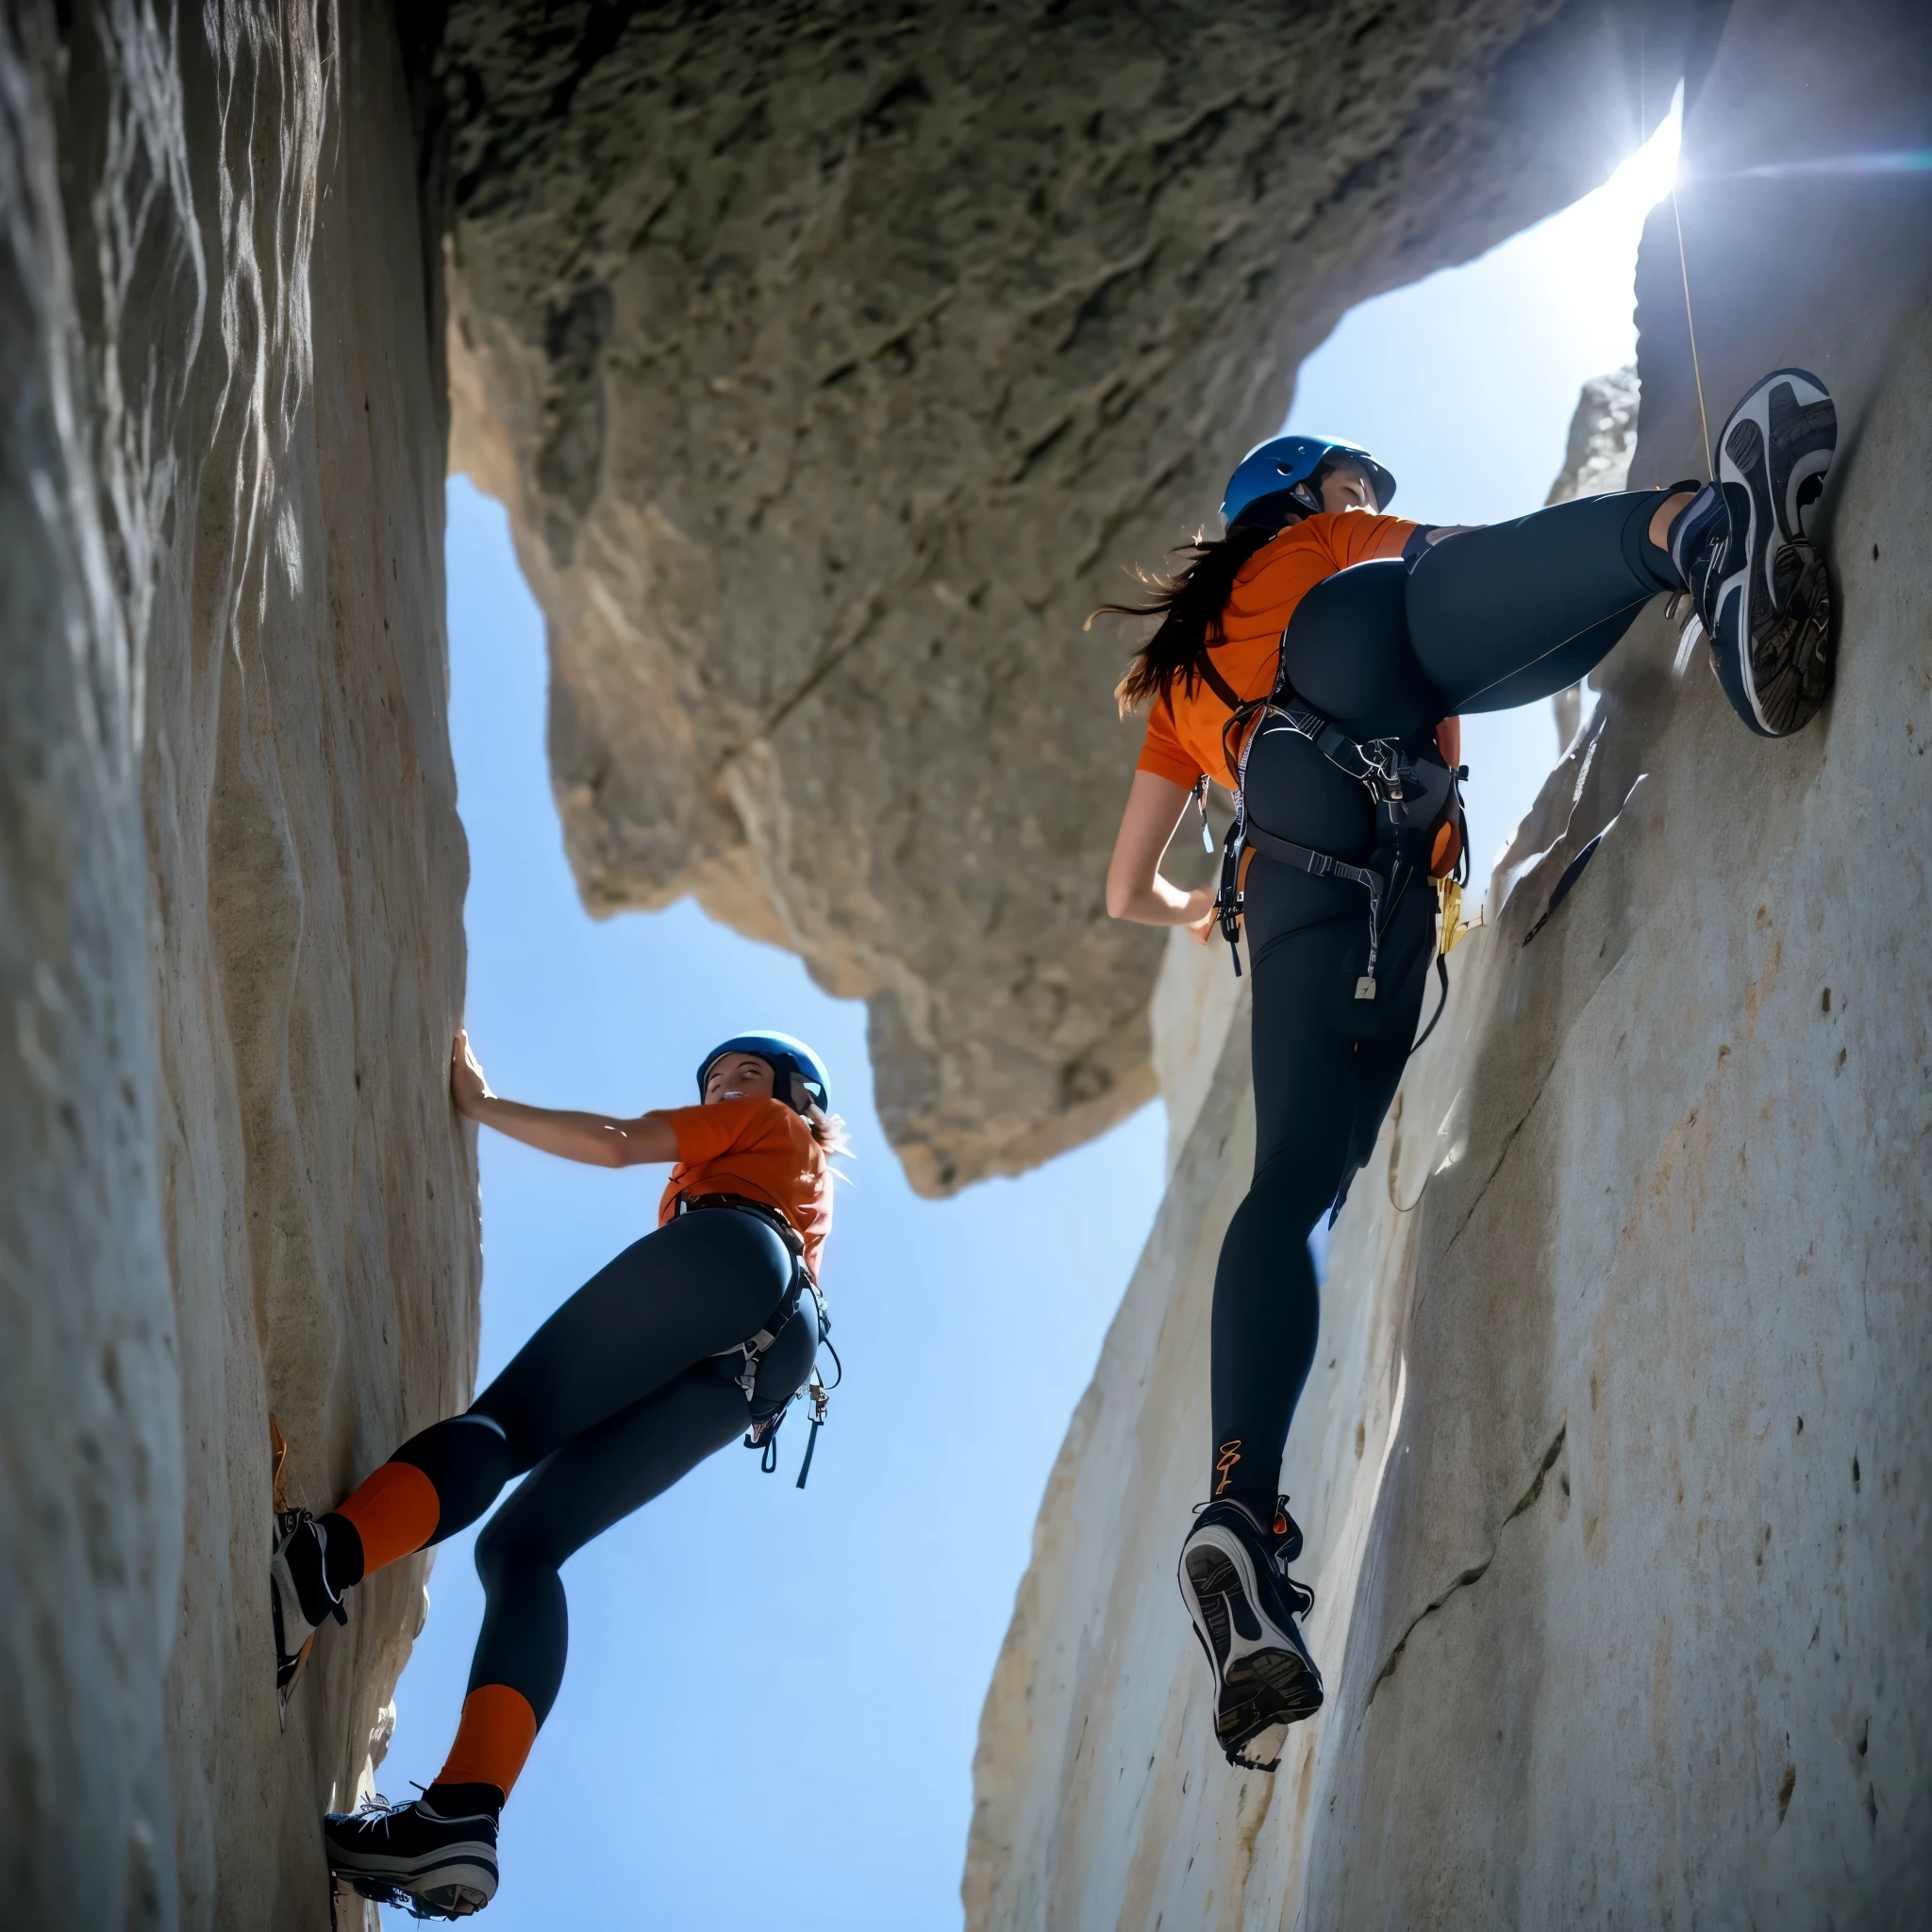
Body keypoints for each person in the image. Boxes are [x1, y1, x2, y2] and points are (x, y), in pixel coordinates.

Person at [1099, 369, 1837, 1772]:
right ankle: (1696, 537)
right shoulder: (1324, 545)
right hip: (1360, 682)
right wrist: (1450, 542)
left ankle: (1239, 1509)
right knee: (1455, 606)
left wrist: (1204, 907)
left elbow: (1126, 885)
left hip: (1294, 850)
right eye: (1352, 487)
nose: (1367, 498)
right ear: (1311, 497)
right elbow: (1471, 580)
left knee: (1294, 1192)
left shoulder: (1179, 677)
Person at [270, 1028, 845, 1917]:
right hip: (775, 1346)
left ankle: (319, 1563)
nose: (726, 1085)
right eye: (716, 1078)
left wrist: (481, 1105)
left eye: (747, 1074)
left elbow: (618, 1143)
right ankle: (463, 1814)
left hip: (734, 1255)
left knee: (509, 1424)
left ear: (793, 1095)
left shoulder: (757, 1127)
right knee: (523, 1549)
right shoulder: (808, 1184)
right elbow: (798, 1284)